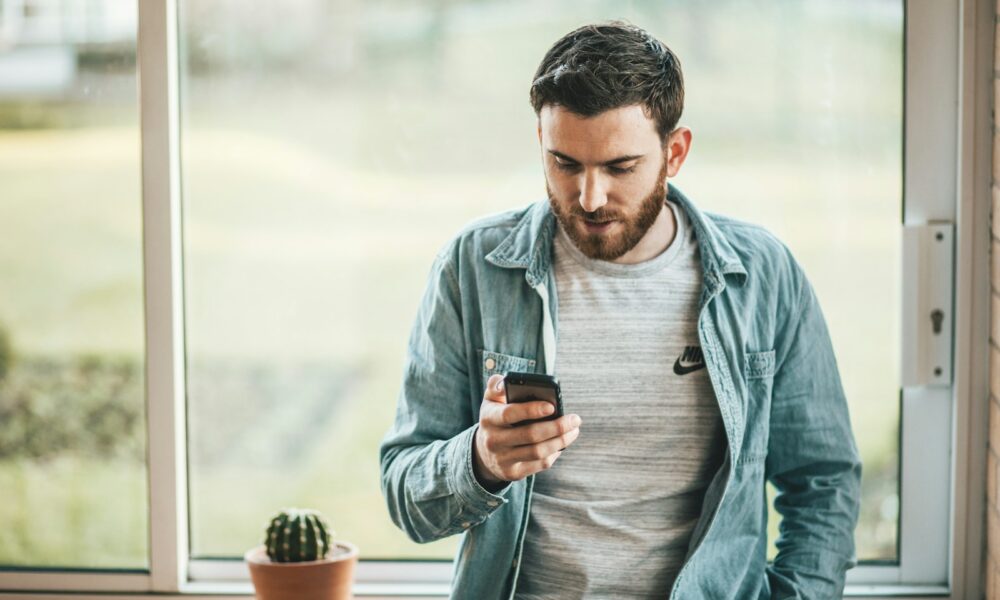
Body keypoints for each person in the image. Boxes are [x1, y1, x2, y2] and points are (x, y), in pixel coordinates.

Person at [380, 21, 861, 600]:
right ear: (539, 140)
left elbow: (822, 481)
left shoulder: (762, 276)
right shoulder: (474, 266)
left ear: (674, 152)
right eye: (564, 163)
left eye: (619, 167)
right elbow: (405, 493)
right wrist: (480, 460)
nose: (589, 197)